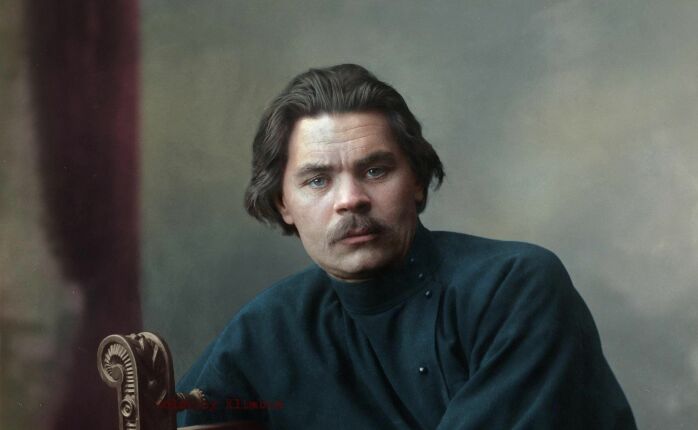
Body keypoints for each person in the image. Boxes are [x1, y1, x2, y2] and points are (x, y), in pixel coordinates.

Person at [176, 64, 637, 429]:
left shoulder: (515, 286)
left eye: (375, 171)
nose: (350, 199)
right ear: (283, 205)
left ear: (416, 180)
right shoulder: (269, 327)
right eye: (317, 180)